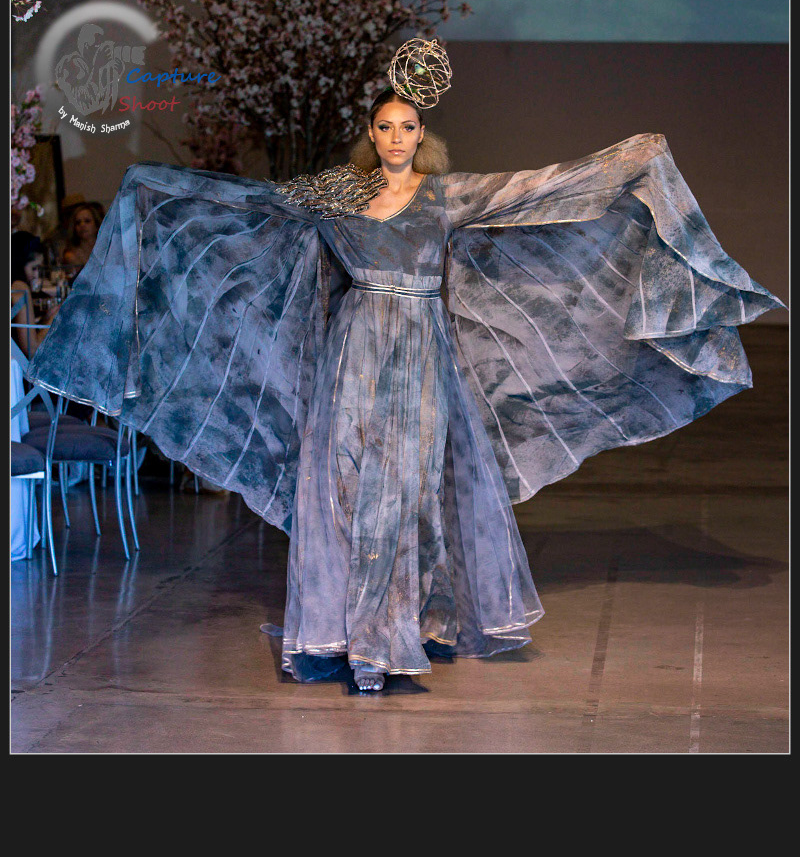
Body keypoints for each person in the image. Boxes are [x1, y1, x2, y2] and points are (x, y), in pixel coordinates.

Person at [25, 40, 785, 693]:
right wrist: (154, 183)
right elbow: (250, 204)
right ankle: (351, 637)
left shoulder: (446, 196)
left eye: (408, 127)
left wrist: (628, 159)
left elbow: (538, 189)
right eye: (385, 126)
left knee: (410, 491)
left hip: (421, 355)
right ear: (371, 132)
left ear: (423, 134)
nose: (396, 137)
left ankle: (399, 630)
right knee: (344, 488)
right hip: (353, 354)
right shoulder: (338, 194)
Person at [11, 231, 61, 357]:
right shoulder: (19, 288)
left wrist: (46, 320)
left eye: (40, 269)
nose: (37, 275)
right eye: (34, 268)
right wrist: (54, 319)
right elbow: (32, 350)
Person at [61, 201, 105, 270]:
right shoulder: (71, 256)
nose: (82, 225)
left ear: (97, 226)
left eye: (87, 221)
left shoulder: (107, 250)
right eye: (78, 222)